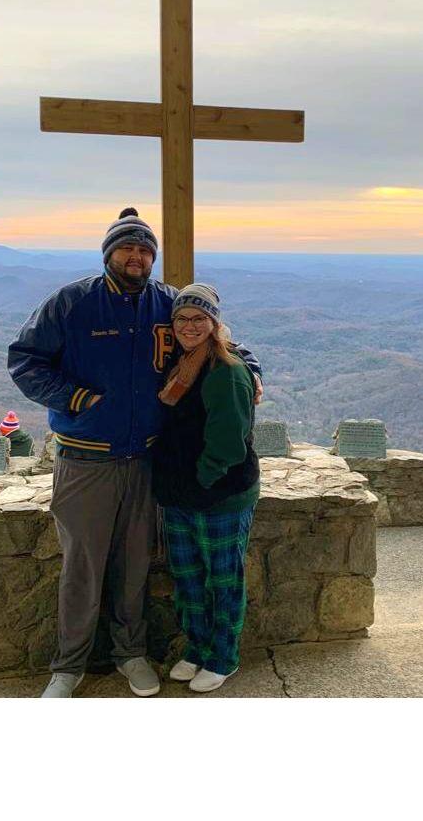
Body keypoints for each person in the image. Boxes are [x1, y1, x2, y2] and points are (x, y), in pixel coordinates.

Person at [7, 208, 262, 699]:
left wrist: (251, 369)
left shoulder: (165, 302)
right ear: (108, 254)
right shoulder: (72, 303)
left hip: (146, 459)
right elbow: (24, 359)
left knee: (135, 565)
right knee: (83, 564)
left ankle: (131, 654)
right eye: (127, 247)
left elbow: (217, 335)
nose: (136, 256)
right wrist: (75, 399)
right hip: (86, 460)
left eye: (145, 249)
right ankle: (68, 666)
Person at [151, 283, 260, 693]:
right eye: (182, 318)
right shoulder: (179, 365)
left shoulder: (226, 372)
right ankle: (197, 648)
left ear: (214, 324)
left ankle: (223, 656)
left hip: (220, 495)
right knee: (189, 577)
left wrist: (202, 481)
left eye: (200, 318)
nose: (190, 326)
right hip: (180, 494)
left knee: (223, 578)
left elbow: (229, 444)